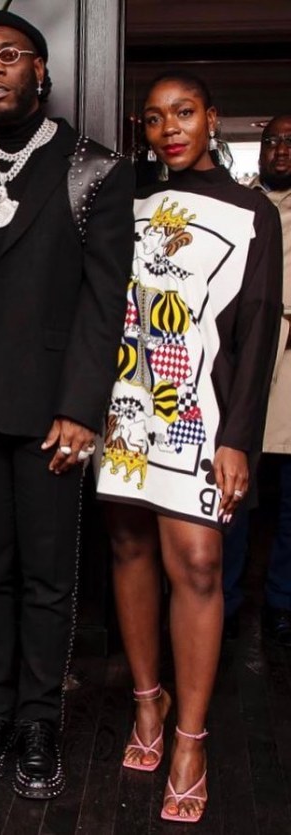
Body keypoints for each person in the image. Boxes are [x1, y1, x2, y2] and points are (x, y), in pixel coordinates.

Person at [0, 11, 135, 800]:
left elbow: (104, 298)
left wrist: (81, 406)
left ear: (40, 70)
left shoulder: (95, 169)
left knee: (48, 574)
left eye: (10, 55)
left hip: (53, 406)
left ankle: (41, 721)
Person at [95, 72, 282, 824]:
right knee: (128, 545)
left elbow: (259, 330)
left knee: (199, 562)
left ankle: (191, 740)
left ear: (211, 118)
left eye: (183, 113)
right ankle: (149, 702)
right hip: (125, 400)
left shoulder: (252, 211)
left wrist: (239, 440)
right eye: (154, 118)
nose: (169, 128)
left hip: (203, 411)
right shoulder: (127, 202)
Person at [222, 114, 291, 646]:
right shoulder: (239, 204)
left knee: (290, 498)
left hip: (289, 368)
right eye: (272, 141)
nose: (281, 150)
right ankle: (222, 601)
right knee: (232, 492)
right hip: (241, 364)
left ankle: (281, 601)